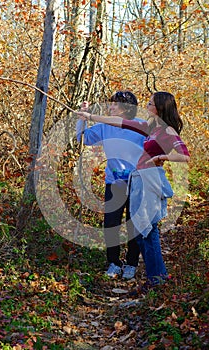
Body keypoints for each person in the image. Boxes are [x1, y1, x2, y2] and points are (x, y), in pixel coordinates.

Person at [76, 91, 190, 288]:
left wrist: (162, 158)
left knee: (144, 228)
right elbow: (116, 124)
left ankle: (148, 273)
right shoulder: (148, 126)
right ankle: (149, 275)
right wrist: (88, 116)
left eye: (150, 103)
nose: (146, 105)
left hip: (146, 182)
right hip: (129, 181)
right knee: (136, 228)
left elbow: (184, 155)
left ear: (159, 108)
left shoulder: (163, 130)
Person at [76, 91, 146, 279]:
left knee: (134, 224)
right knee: (111, 224)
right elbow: (83, 138)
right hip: (114, 183)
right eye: (111, 104)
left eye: (115, 105)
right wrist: (82, 117)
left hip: (138, 184)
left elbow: (155, 147)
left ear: (126, 108)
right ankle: (114, 262)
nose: (110, 107)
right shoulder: (105, 126)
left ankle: (131, 264)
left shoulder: (140, 126)